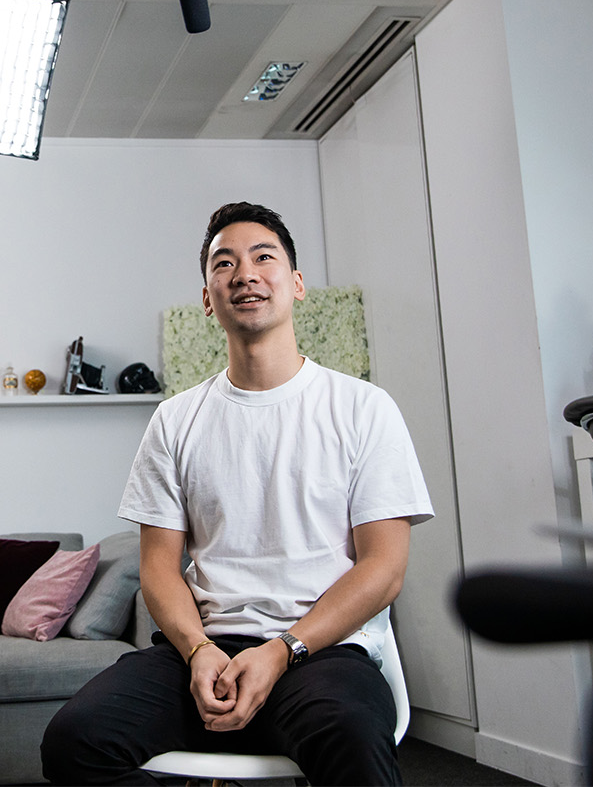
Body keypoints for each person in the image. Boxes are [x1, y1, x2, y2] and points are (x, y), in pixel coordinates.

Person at [41, 202, 433, 786]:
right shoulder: (175, 420)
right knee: (75, 742)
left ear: (296, 285)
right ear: (208, 297)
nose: (244, 273)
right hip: (203, 650)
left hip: (317, 651)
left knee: (353, 741)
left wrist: (282, 651)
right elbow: (158, 570)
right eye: (224, 264)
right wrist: (198, 651)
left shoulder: (363, 409)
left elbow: (384, 568)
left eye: (263, 257)